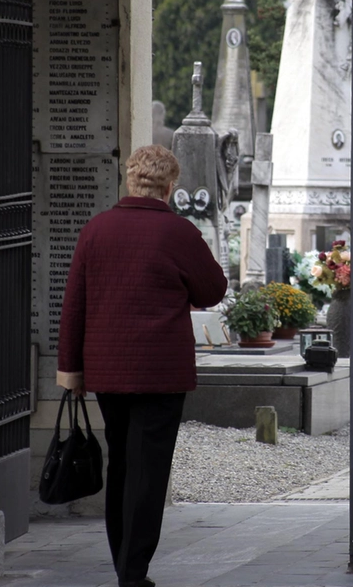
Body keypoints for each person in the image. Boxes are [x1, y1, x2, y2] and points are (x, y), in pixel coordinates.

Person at [56, 145, 228, 587]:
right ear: (170, 188)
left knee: (122, 466)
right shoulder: (179, 233)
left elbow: (74, 304)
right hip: (160, 373)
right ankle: (133, 573)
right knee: (149, 473)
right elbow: (212, 290)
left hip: (108, 372)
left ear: (130, 181)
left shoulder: (96, 230)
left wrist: (71, 370)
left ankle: (124, 565)